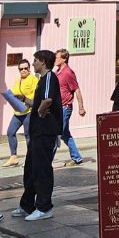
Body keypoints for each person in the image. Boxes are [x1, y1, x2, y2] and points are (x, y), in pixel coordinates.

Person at [10, 50, 62, 221]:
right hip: (37, 132)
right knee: (30, 169)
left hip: (46, 132)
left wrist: (40, 112)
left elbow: (47, 101)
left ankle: (44, 207)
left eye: (35, 61)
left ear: (43, 62)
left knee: (42, 170)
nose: (33, 64)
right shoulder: (41, 80)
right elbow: (40, 101)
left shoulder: (49, 78)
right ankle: (27, 205)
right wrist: (24, 99)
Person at [2, 60, 37, 168]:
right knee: (10, 132)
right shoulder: (17, 80)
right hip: (18, 112)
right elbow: (14, 92)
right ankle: (13, 157)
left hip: (28, 112)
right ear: (19, 70)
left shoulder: (34, 80)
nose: (23, 70)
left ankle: (31, 159)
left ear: (29, 68)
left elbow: (35, 96)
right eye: (21, 69)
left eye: (26, 68)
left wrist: (26, 101)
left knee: (28, 136)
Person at [54, 49, 85, 166]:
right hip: (58, 107)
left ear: (64, 59)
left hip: (65, 107)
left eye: (57, 58)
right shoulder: (57, 72)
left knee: (56, 132)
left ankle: (47, 160)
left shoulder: (68, 73)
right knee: (64, 134)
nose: (55, 59)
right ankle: (77, 157)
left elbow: (76, 89)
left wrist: (81, 107)